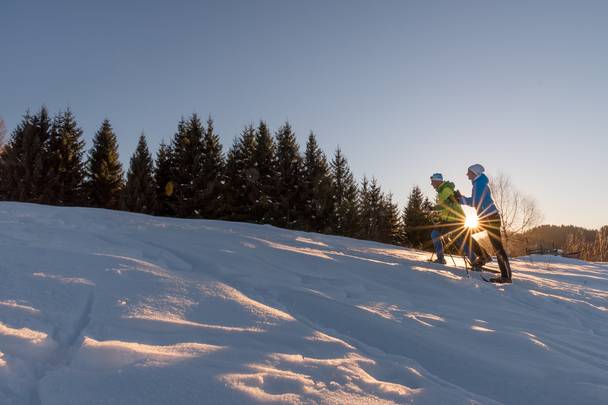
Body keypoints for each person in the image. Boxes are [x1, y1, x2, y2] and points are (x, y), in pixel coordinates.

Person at [457, 164, 512, 283]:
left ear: (475, 173)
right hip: (486, 219)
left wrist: (460, 199)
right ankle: (484, 256)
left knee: (498, 247)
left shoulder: (479, 184)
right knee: (466, 233)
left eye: (469, 172)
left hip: (490, 219)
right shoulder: (478, 183)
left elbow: (475, 202)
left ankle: (506, 276)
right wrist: (461, 198)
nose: (467, 174)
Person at [429, 173, 478, 265]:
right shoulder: (441, 191)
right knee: (435, 234)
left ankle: (475, 262)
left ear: (438, 181)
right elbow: (445, 207)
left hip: (455, 219)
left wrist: (433, 208)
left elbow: (447, 205)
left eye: (432, 182)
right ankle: (441, 258)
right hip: (448, 220)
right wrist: (437, 215)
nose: (431, 184)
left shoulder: (446, 190)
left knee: (458, 240)